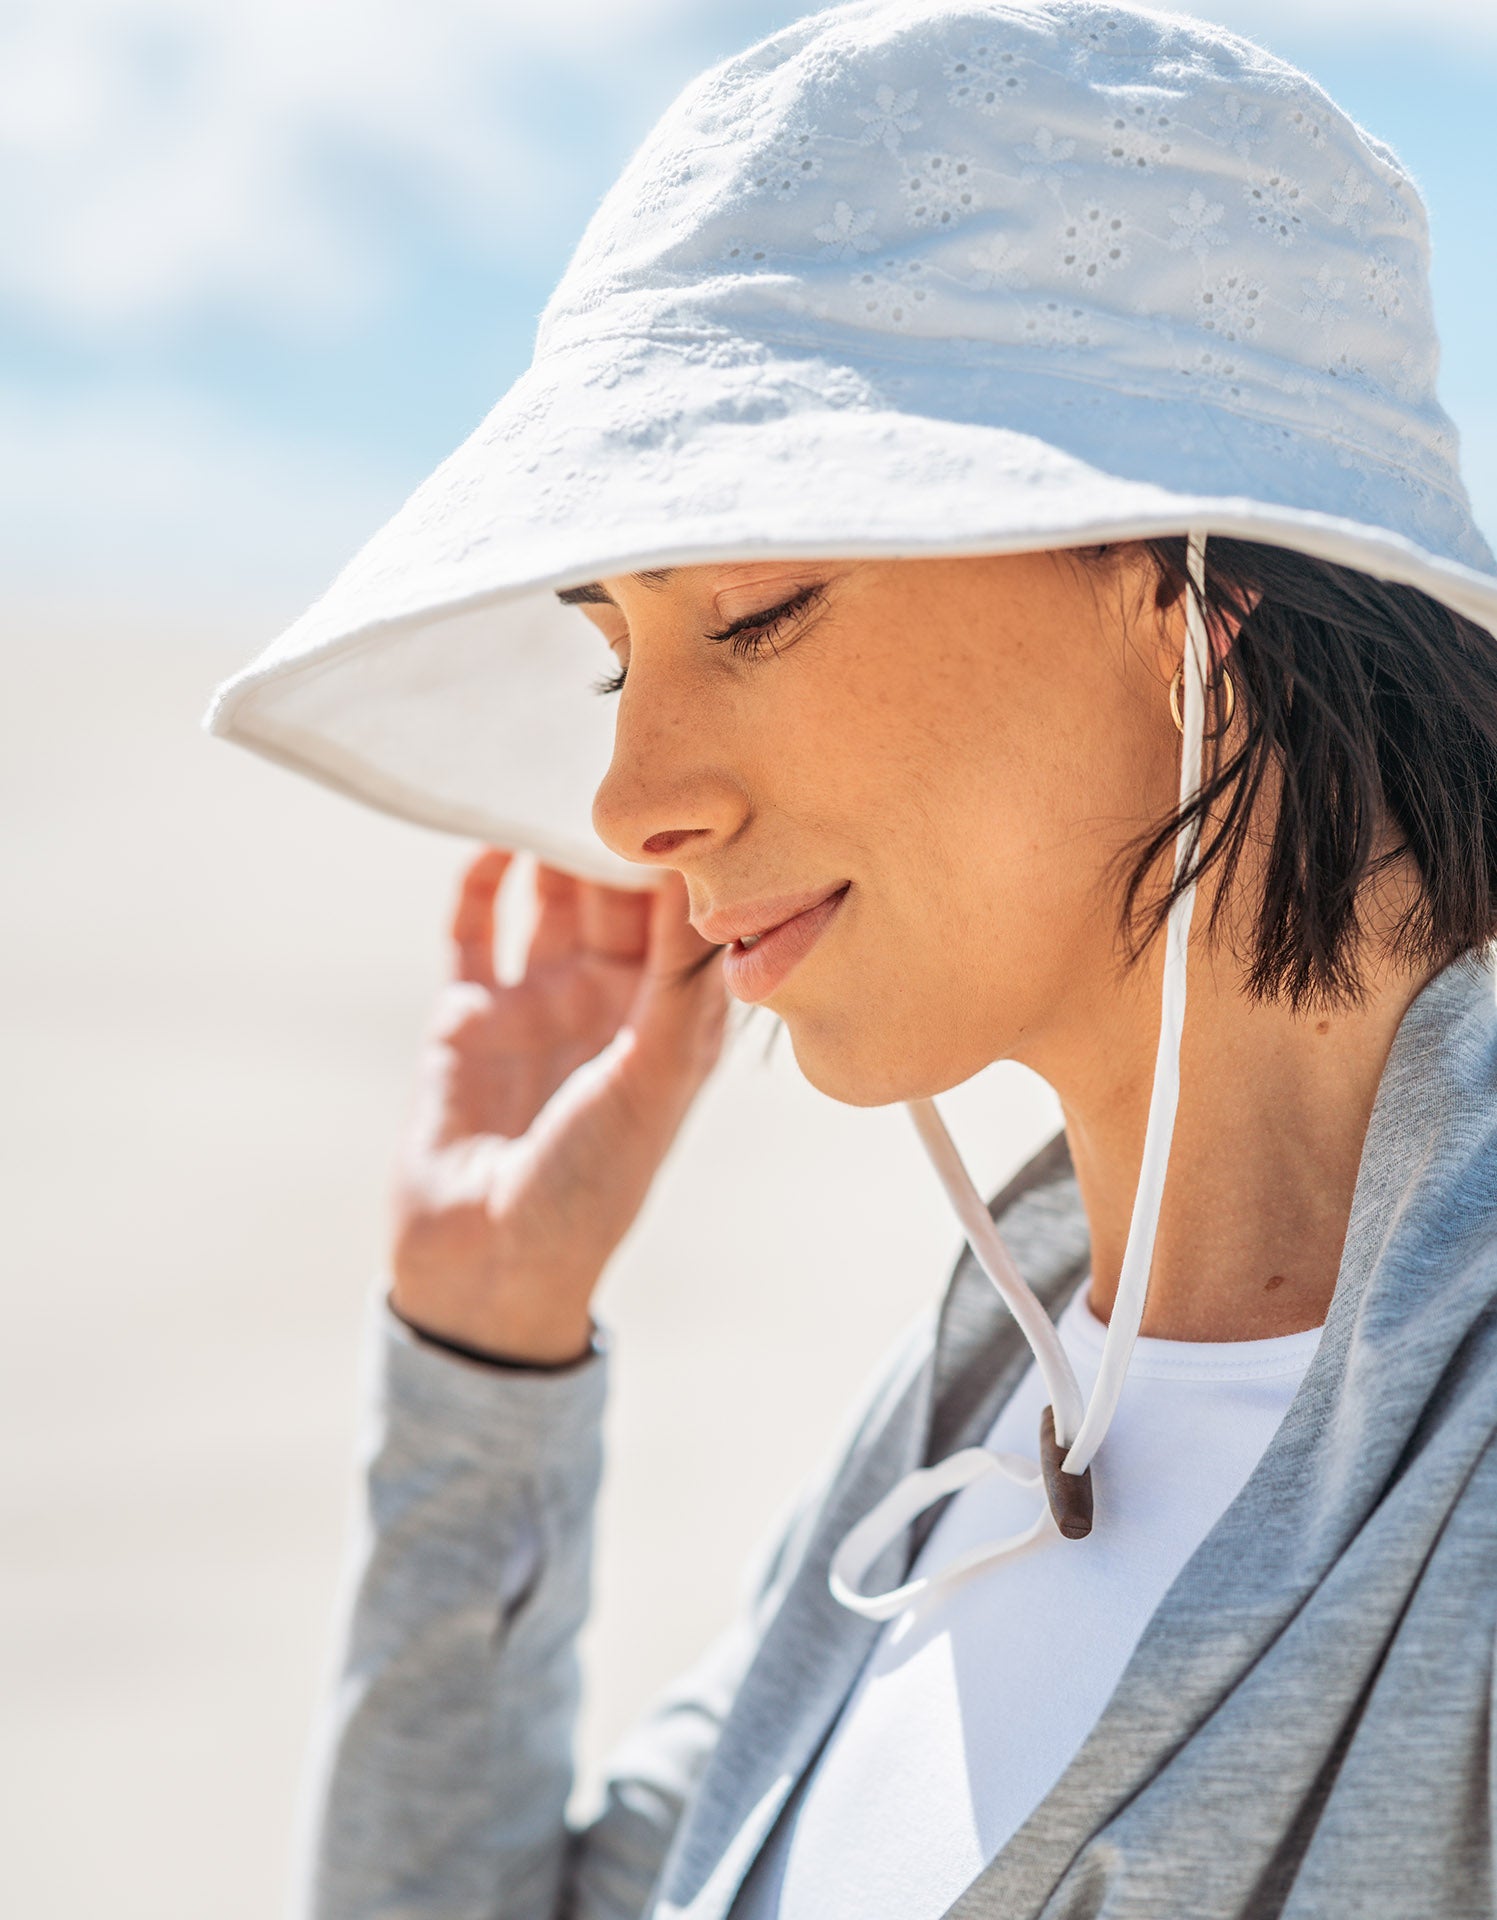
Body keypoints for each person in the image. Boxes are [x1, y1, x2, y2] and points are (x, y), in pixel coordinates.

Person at [203, 3, 1497, 1915]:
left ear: (1186, 587)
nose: (628, 795)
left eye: (755, 610)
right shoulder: (982, 1407)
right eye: (614, 651)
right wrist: (485, 1338)